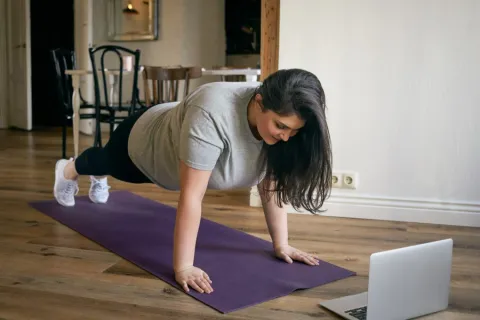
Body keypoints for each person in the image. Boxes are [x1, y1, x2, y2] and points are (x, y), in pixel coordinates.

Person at [53, 68, 332, 295]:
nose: (286, 136)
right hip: (144, 144)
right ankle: (70, 168)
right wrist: (184, 267)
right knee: (106, 162)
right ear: (259, 104)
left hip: (180, 125)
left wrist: (281, 245)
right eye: (281, 126)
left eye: (294, 131)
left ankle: (97, 173)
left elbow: (270, 185)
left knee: (105, 166)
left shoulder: (282, 117)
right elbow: (191, 197)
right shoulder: (213, 113)